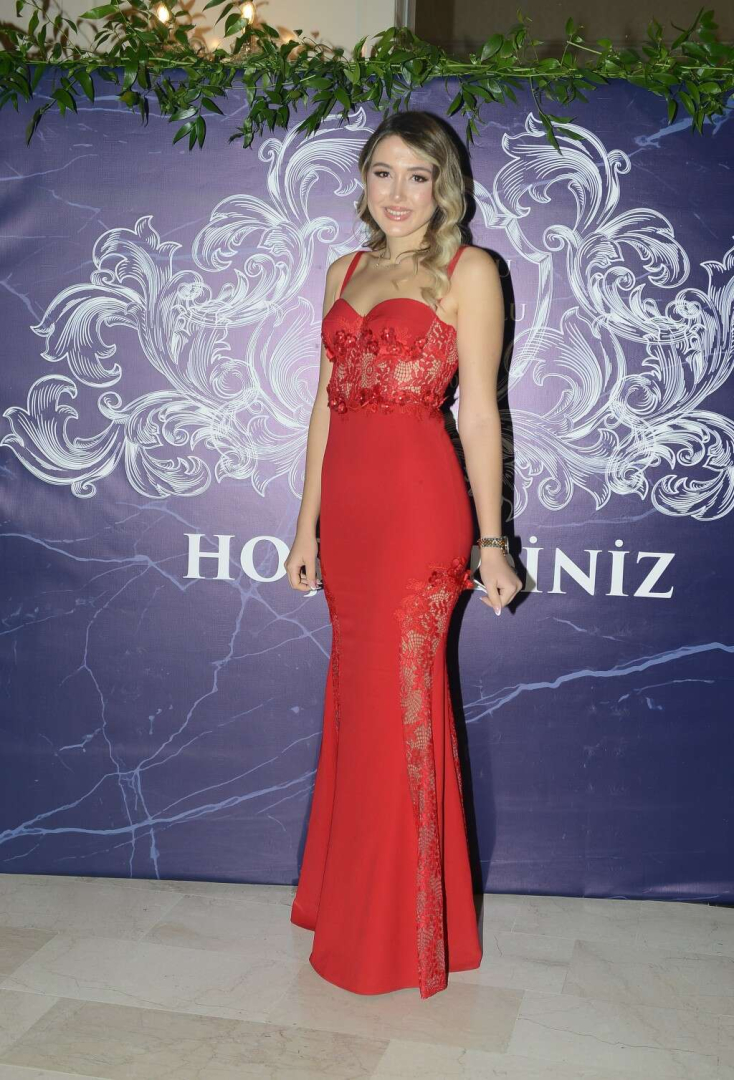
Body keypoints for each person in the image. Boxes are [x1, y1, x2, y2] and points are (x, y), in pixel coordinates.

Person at [286, 109, 522, 998]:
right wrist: (305, 526)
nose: (397, 192)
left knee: (402, 715)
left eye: (416, 175)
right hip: (348, 518)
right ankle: (351, 905)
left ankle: (397, 937)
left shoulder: (471, 271)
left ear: (443, 185)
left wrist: (492, 541)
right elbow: (324, 406)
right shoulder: (342, 271)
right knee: (360, 711)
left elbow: (481, 414)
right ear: (364, 181)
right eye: (383, 172)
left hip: (419, 512)